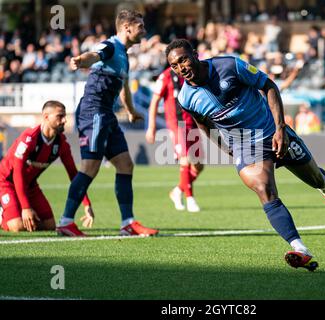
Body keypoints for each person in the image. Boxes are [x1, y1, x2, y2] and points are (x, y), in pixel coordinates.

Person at [165, 39, 325, 271]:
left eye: (183, 60)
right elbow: (203, 123)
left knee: (315, 178)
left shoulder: (229, 66)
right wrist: (224, 147)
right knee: (263, 189)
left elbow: (269, 86)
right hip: (246, 148)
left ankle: (324, 184)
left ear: (195, 55)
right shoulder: (186, 98)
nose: (181, 68)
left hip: (273, 132)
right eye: (175, 66)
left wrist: (280, 129)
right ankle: (300, 248)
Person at [56, 9, 159, 237]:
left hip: (106, 115)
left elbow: (124, 90)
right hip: (93, 112)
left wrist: (131, 112)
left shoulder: (123, 55)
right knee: (90, 167)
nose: (144, 30)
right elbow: (94, 55)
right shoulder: (111, 46)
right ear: (126, 28)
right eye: (140, 26)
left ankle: (128, 223)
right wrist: (81, 60)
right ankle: (65, 221)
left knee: (125, 165)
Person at [0, 101, 94, 232]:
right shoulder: (29, 138)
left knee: (49, 225)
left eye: (64, 116)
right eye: (60, 116)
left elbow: (73, 174)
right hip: (6, 182)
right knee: (17, 226)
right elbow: (17, 172)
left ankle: (16, 213)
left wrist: (86, 203)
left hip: (29, 185)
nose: (64, 120)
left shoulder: (61, 144)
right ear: (45, 117)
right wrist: (26, 207)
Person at [146, 67, 204, 212]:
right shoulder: (165, 76)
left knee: (198, 165)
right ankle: (190, 199)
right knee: (185, 159)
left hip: (192, 123)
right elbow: (154, 102)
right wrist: (151, 126)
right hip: (177, 124)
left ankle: (178, 191)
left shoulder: (191, 73)